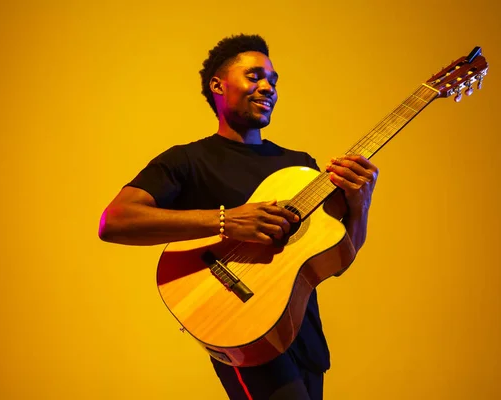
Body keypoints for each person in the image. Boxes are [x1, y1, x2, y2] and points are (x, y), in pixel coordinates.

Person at [98, 34, 378, 400]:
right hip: (244, 332)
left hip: (305, 339)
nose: (267, 88)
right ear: (219, 84)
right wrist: (226, 221)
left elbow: (338, 259)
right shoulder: (187, 160)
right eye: (254, 76)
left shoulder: (301, 167)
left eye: (273, 81)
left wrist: (361, 203)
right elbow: (115, 221)